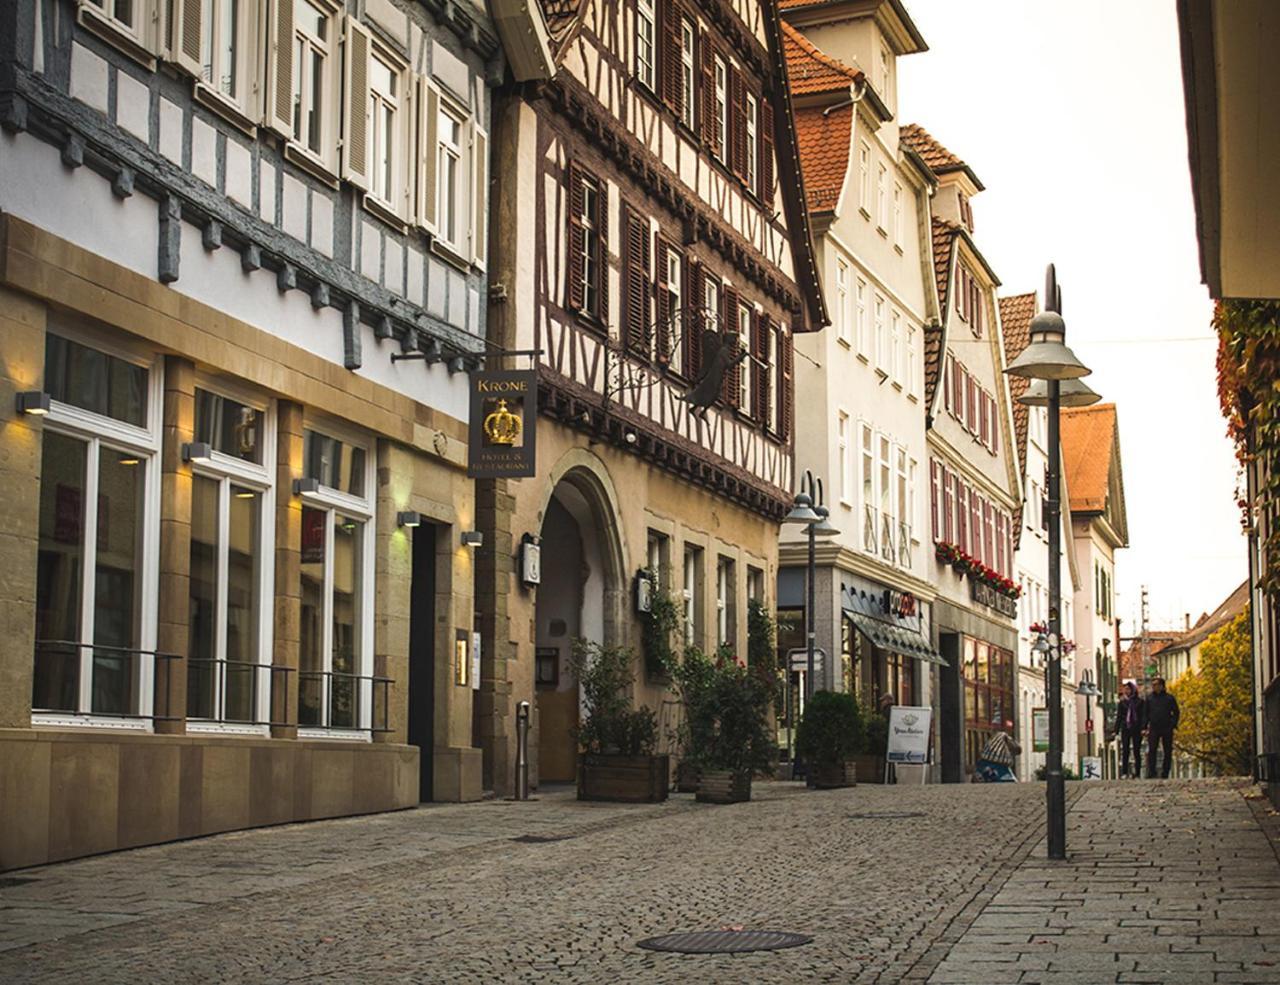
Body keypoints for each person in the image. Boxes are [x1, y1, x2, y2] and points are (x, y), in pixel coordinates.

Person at [1144, 677, 1180, 779]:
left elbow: (1176, 712)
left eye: (1156, 685)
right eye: (1153, 685)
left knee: (1167, 750)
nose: (1153, 687)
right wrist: (1144, 727)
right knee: (1152, 750)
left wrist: (1173, 723)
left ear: (1161, 686)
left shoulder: (1169, 698)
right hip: (1154, 727)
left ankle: (1165, 772)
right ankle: (1152, 772)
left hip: (1166, 727)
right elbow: (1145, 714)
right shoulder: (1150, 698)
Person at [1115, 681, 1146, 778]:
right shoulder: (1122, 703)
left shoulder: (1140, 702)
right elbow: (1119, 717)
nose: (1126, 691)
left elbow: (1142, 716)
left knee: (1137, 750)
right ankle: (1124, 772)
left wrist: (1143, 727)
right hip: (1126, 728)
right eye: (1125, 689)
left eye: (1128, 689)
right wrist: (1116, 730)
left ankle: (1137, 773)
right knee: (1125, 750)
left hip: (1136, 728)